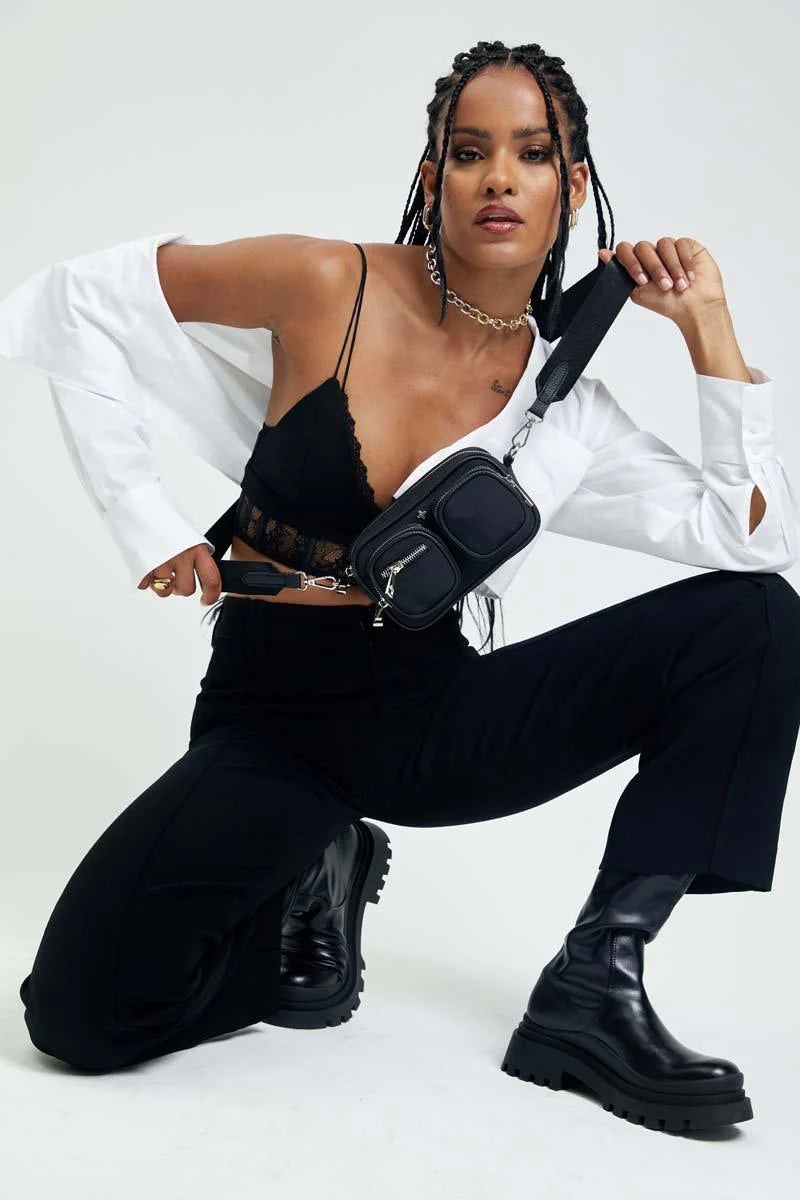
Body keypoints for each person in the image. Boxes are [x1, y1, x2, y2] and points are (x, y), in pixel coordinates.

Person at [7, 39, 800, 1135]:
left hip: (429, 718)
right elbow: (71, 301)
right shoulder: (326, 284)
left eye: (531, 154)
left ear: (570, 187)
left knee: (754, 621)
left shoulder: (567, 412)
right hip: (271, 721)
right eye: (469, 152)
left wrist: (709, 328)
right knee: (78, 1017)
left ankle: (595, 980)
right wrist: (146, 521)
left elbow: (749, 541)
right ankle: (322, 862)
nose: (497, 178)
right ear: (434, 177)